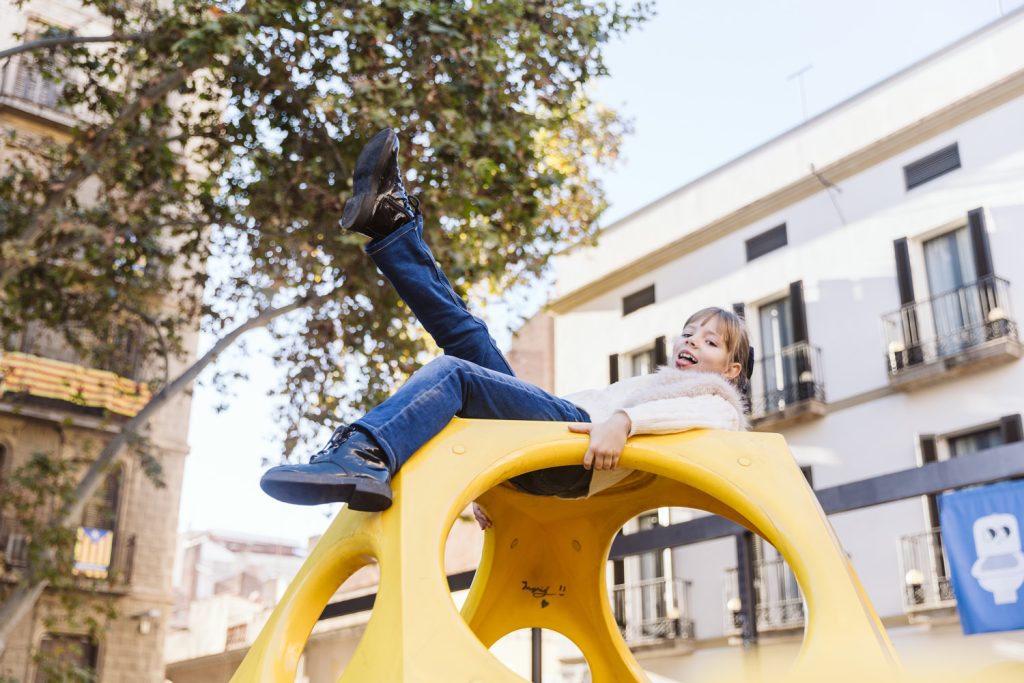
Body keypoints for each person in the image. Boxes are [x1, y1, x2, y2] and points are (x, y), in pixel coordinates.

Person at [260, 128, 753, 521]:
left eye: (709, 341)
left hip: (567, 456)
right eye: (689, 332)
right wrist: (494, 478)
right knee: (467, 338)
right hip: (554, 439)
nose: (691, 341)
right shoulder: (656, 386)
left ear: (730, 370)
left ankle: (365, 456)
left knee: (457, 372)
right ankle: (390, 223)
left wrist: (625, 421)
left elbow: (707, 422)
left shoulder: (717, 404)